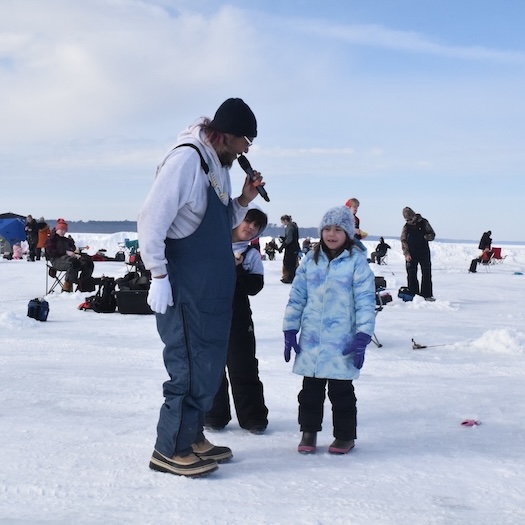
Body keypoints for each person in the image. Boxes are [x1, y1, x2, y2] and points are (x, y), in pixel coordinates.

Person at [137, 97, 263, 477]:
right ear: (226, 134)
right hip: (186, 286)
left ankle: (191, 436)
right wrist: (157, 274)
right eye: (245, 141)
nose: (246, 150)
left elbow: (216, 223)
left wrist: (243, 199)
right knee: (188, 367)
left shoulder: (217, 164)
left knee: (207, 365)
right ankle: (169, 448)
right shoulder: (186, 160)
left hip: (211, 288)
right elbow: (150, 219)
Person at [282, 206, 376, 455]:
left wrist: (363, 335)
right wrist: (290, 329)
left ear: (348, 233)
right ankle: (309, 431)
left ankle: (345, 436)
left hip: (342, 341)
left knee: (341, 392)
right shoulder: (310, 261)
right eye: (327, 229)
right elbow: (297, 297)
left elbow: (366, 300)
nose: (331, 234)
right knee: (309, 392)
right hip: (312, 341)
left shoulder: (357, 263)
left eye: (338, 229)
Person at [205, 207, 269, 434]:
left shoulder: (251, 255)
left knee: (244, 365)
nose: (250, 227)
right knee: (212, 366)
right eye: (248, 221)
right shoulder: (212, 244)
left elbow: (255, 287)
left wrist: (238, 270)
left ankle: (253, 417)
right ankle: (214, 414)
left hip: (239, 317)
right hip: (210, 314)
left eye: (256, 226)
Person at [44, 219, 94, 292]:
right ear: (57, 229)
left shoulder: (66, 240)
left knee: (88, 263)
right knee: (73, 263)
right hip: (57, 260)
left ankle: (83, 285)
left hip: (69, 258)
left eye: (65, 230)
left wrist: (77, 252)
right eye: (62, 229)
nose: (63, 232)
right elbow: (51, 252)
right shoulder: (51, 239)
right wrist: (65, 252)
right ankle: (67, 288)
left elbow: (73, 249)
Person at [400, 207, 436, 301]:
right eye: (407, 220)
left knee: (426, 274)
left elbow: (432, 234)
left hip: (424, 252)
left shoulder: (423, 222)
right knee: (411, 274)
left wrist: (426, 237)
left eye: (410, 219)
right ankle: (413, 294)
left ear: (414, 216)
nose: (409, 221)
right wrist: (406, 253)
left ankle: (426, 295)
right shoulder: (406, 227)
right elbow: (403, 240)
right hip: (411, 253)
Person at [278, 214, 300, 283]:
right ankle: (291, 277)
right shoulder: (293, 226)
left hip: (291, 248)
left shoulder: (290, 227)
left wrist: (282, 246)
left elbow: (289, 239)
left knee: (288, 263)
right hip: (294, 247)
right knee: (292, 263)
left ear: (285, 220)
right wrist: (284, 238)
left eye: (282, 221)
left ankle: (291, 278)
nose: (282, 223)